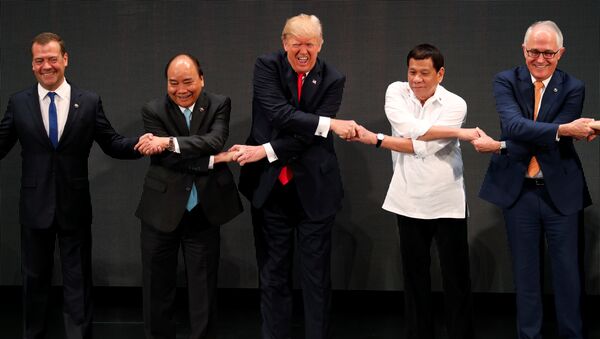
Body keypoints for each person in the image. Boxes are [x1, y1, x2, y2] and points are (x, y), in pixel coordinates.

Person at [0, 32, 156, 339]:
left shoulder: (88, 101)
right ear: (32, 65)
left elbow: (111, 142)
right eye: (39, 60)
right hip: (34, 207)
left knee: (78, 281)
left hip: (74, 205)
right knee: (33, 280)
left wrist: (139, 143)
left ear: (65, 60)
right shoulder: (19, 102)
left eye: (52, 59)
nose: (47, 66)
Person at [229, 13, 358, 339]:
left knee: (316, 278)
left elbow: (305, 136)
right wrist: (327, 124)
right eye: (297, 44)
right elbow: (276, 114)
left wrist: (267, 149)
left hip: (315, 188)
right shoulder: (266, 66)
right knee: (273, 274)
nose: (304, 51)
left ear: (321, 44)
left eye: (310, 45)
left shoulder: (333, 78)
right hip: (271, 188)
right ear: (285, 43)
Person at [474, 20, 592, 339]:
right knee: (526, 274)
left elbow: (536, 138)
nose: (540, 59)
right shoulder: (506, 80)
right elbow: (514, 126)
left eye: (548, 53)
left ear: (561, 53)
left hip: (561, 193)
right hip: (520, 192)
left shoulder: (573, 87)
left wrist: (500, 145)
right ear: (524, 50)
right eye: (534, 52)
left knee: (568, 275)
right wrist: (564, 129)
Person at [351, 44, 476, 339]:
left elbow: (424, 144)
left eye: (424, 73)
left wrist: (378, 139)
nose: (416, 79)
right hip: (407, 199)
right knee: (414, 277)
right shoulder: (396, 91)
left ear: (440, 74)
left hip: (447, 199)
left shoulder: (455, 103)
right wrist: (458, 133)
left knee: (456, 278)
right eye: (412, 72)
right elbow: (410, 130)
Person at [134, 54, 243, 339]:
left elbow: (215, 140)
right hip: (160, 211)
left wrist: (169, 142)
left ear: (201, 79)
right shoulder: (153, 110)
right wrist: (214, 161)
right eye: (173, 83)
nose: (181, 89)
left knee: (204, 290)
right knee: (156, 289)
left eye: (187, 81)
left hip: (204, 211)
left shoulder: (219, 104)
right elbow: (167, 161)